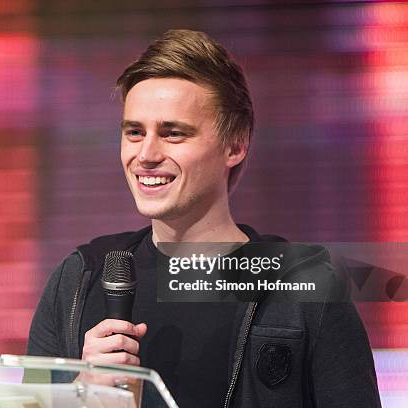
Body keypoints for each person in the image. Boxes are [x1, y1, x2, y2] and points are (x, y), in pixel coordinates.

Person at [27, 29, 381, 407]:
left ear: (236, 145)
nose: (146, 154)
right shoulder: (79, 281)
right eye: (134, 132)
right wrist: (79, 396)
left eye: (173, 133)